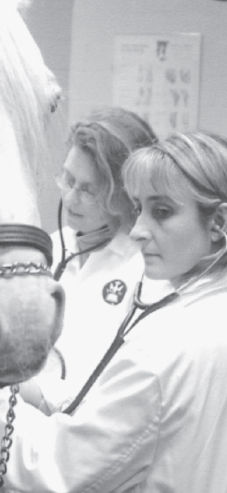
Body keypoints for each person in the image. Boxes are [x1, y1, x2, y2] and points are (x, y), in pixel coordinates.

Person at [0, 131, 227, 492]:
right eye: (138, 209)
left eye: (162, 212)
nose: (139, 232)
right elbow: (134, 413)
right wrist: (42, 393)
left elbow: (50, 470)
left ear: (219, 225)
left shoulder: (163, 350)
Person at [49, 107, 159, 390]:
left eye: (88, 190)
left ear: (124, 195)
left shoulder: (147, 269)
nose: (71, 199)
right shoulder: (50, 248)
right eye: (69, 180)